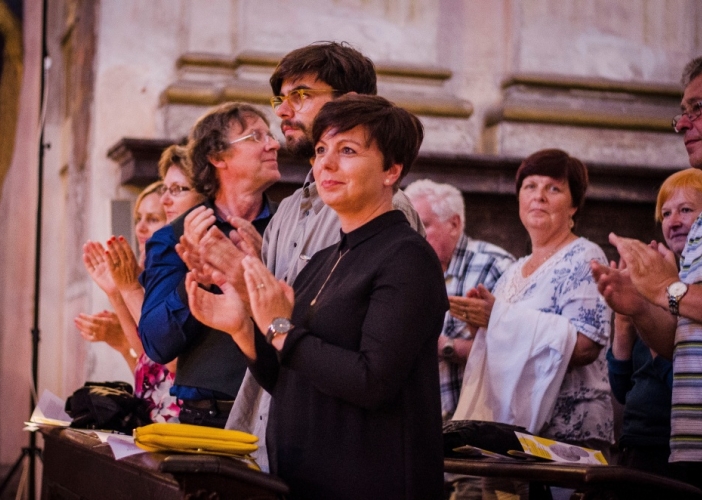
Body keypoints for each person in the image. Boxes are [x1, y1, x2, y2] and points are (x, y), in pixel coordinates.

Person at [187, 94, 446, 500]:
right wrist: (242, 329)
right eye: (322, 149)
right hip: (302, 482)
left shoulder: (407, 256)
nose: (325, 163)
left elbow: (370, 381)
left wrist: (280, 330)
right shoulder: (325, 258)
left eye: (347, 151)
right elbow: (288, 380)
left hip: (373, 483)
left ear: (391, 170)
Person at [453, 149, 613, 451]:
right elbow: (502, 345)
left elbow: (585, 346)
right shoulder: (514, 271)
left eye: (553, 188)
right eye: (530, 187)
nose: (538, 196)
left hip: (568, 433)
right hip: (513, 434)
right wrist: (481, 326)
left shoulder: (585, 256)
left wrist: (499, 318)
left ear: (574, 205)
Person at [592, 56, 702, 487]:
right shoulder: (697, 234)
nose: (682, 124)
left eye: (699, 109)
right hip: (688, 441)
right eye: (684, 111)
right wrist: (637, 307)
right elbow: (679, 341)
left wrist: (666, 287)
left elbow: (680, 296)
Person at [139, 102, 280, 428]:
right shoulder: (171, 238)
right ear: (218, 157)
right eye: (256, 136)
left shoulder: (288, 227)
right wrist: (198, 276)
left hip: (281, 409)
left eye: (270, 135)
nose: (273, 144)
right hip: (208, 417)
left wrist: (260, 269)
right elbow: (157, 345)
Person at [607, 169, 702, 476]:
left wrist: (665, 291)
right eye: (665, 214)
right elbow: (622, 387)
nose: (673, 222)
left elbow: (678, 376)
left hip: (666, 442)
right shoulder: (668, 281)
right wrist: (627, 315)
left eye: (686, 210)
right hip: (644, 442)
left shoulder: (675, 287)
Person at [404, 179, 514, 420]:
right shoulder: (406, 270)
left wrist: (446, 346)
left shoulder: (494, 265)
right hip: (422, 422)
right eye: (408, 225)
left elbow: (518, 350)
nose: (413, 235)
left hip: (481, 423)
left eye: (423, 224)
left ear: (454, 224)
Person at [76, 181, 181, 422]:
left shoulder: (171, 272)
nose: (141, 228)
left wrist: (123, 292)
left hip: (178, 408)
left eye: (153, 219)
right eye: (138, 218)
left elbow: (164, 357)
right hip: (149, 401)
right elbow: (146, 357)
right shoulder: (140, 270)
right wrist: (115, 292)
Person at [157, 144, 205, 223]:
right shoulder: (162, 234)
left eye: (177, 189)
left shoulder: (225, 233)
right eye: (164, 188)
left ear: (202, 195)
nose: (163, 200)